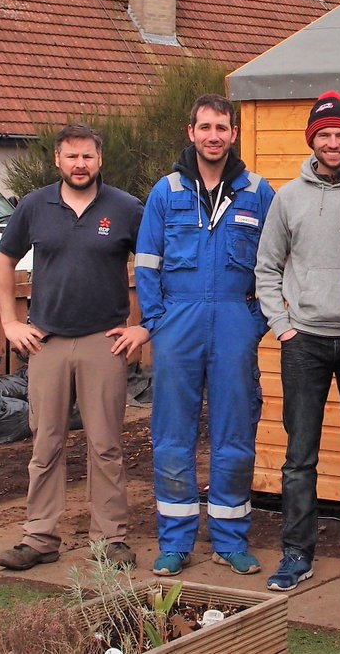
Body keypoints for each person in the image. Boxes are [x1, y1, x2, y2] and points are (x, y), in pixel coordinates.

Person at [254, 91, 340, 591]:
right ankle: (296, 554)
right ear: (312, 140)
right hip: (304, 341)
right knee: (299, 456)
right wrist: (282, 326)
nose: (333, 143)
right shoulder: (287, 197)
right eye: (324, 135)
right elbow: (266, 267)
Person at [0, 124, 146, 571]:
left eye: (88, 157)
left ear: (100, 161)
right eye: (72, 156)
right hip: (47, 342)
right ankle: (39, 536)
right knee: (46, 442)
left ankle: (109, 539)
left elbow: (155, 267)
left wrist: (140, 326)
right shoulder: (33, 207)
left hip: (106, 343)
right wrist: (8, 322)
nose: (80, 164)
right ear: (57, 160)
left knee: (106, 446)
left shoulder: (126, 209)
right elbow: (4, 262)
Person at [134, 94, 275, 577]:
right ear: (190, 131)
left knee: (235, 434)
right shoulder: (166, 192)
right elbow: (146, 263)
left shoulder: (257, 192)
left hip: (236, 323)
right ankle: (175, 541)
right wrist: (157, 321)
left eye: (222, 127)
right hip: (178, 325)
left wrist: (257, 321)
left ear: (234, 134)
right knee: (173, 435)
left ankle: (230, 538)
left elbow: (276, 264)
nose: (214, 136)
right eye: (205, 127)